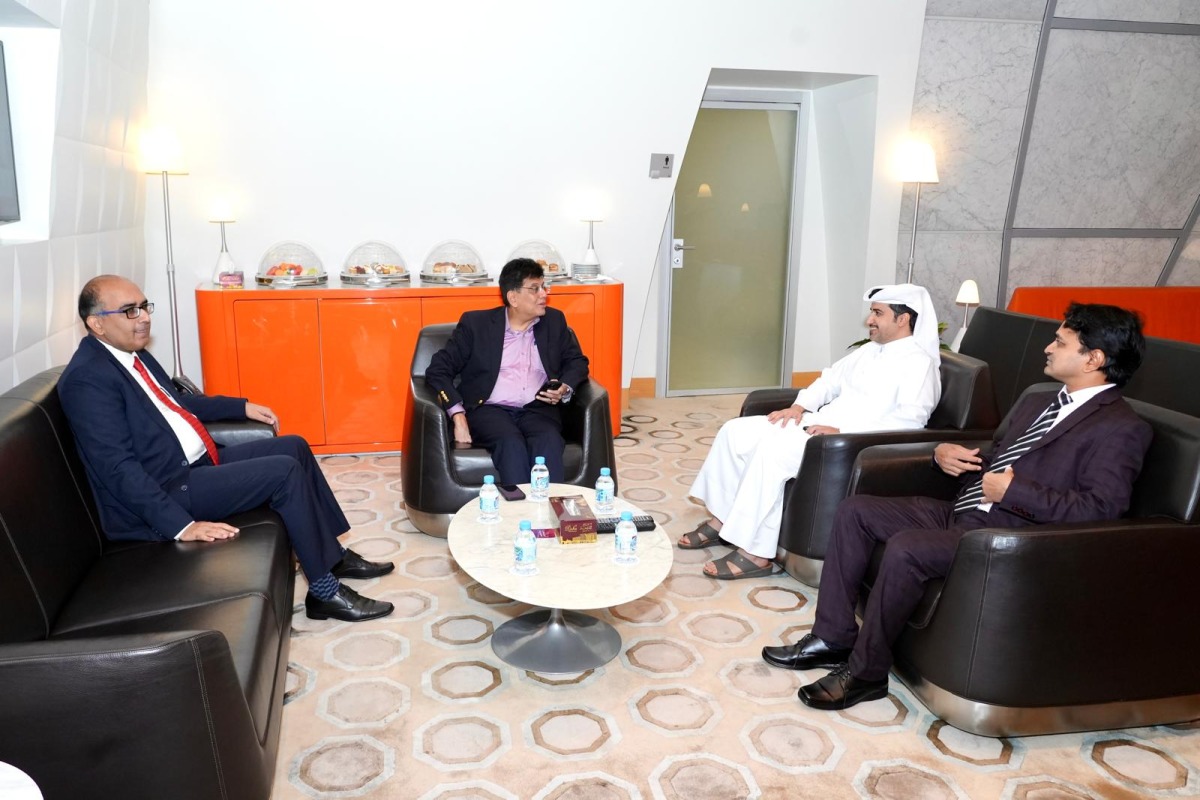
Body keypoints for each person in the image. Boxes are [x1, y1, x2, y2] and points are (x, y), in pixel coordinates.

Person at [763, 302, 1153, 710]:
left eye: (1060, 342)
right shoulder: (1040, 401)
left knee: (908, 548)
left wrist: (1014, 493)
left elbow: (1101, 509)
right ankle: (833, 638)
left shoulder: (1121, 428)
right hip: (963, 510)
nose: (1048, 348)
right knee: (855, 511)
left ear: (1093, 359)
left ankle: (866, 674)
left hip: (1006, 537)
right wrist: (945, 454)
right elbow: (1001, 457)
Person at [59, 275, 395, 623]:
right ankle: (324, 593)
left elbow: (177, 404)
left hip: (195, 464)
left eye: (144, 307)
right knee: (283, 473)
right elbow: (117, 468)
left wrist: (240, 407)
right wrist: (182, 526)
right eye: (130, 311)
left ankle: (331, 556)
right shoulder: (87, 380)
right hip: (171, 487)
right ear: (97, 323)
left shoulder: (132, 354)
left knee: (294, 447)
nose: (143, 317)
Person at [681, 284, 942, 579]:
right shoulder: (869, 351)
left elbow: (909, 423)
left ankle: (756, 554)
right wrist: (798, 407)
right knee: (735, 431)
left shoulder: (920, 365)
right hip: (820, 424)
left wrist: (843, 431)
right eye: (872, 312)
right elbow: (829, 381)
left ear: (903, 319)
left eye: (878, 313)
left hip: (849, 444)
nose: (870, 320)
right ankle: (722, 521)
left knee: (772, 452)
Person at [425, 257, 589, 485]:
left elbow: (577, 361)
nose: (544, 294)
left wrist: (564, 388)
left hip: (538, 409)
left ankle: (551, 505)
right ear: (513, 298)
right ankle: (519, 507)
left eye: (544, 286)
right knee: (510, 444)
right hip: (489, 409)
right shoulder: (477, 325)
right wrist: (458, 415)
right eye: (535, 288)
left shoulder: (554, 321)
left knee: (549, 441)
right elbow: (438, 369)